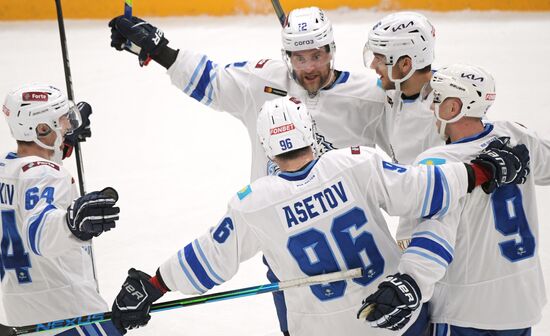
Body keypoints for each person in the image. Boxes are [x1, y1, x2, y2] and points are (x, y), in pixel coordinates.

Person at [109, 96, 528, 335]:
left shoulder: (253, 202)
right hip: (394, 319)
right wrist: (482, 169)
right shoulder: (356, 163)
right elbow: (427, 192)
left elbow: (206, 260)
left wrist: (153, 284)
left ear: (267, 148)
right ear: (310, 133)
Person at [108, 7, 390, 334]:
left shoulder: (368, 97)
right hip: (287, 247)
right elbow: (211, 80)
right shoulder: (263, 83)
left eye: (317, 55)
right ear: (286, 56)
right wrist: (159, 50)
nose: (310, 68)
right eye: (299, 58)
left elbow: (408, 152)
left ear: (331, 50)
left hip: (353, 249)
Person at [357, 64, 548, 336]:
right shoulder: (518, 137)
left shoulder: (439, 164)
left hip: (465, 311)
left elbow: (427, 238)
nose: (431, 108)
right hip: (520, 305)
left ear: (453, 108)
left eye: (437, 99)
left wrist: (411, 280)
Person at [0, 84, 122, 335]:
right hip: (68, 313)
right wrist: (71, 224)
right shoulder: (47, 175)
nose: (69, 125)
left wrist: (61, 144)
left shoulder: (6, 170)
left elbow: (31, 182)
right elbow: (41, 231)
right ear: (41, 129)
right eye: (62, 120)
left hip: (22, 314)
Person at [363, 11, 446, 249]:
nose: (372, 65)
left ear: (406, 64)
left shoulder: (444, 108)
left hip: (438, 226)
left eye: (379, 59)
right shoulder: (395, 90)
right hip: (410, 219)